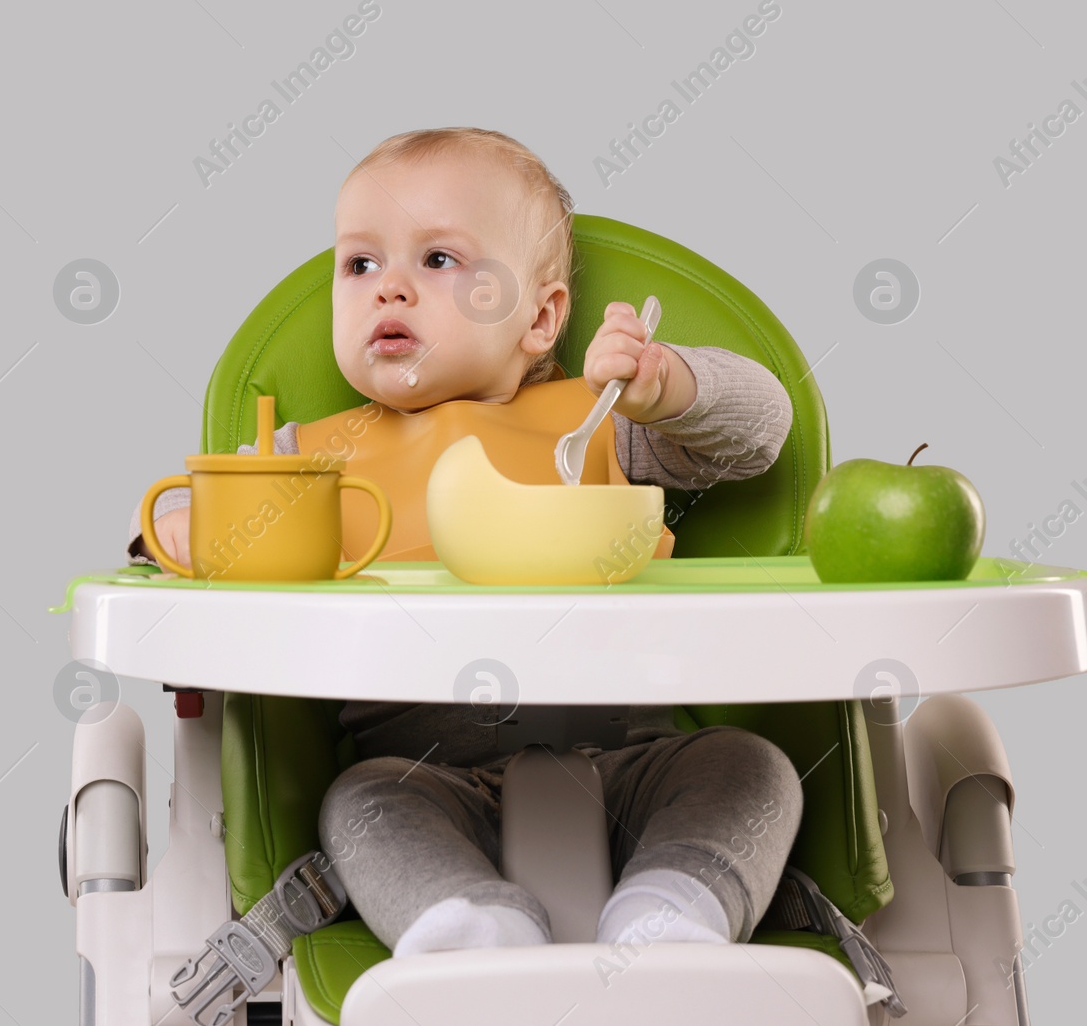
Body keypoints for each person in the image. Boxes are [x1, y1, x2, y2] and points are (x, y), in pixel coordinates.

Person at [126, 127, 802, 956]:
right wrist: (178, 530)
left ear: (542, 318)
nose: (390, 291)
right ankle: (470, 928)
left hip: (630, 756)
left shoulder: (597, 422)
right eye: (360, 265)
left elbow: (763, 432)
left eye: (438, 261)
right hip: (420, 771)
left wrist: (666, 387)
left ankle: (672, 910)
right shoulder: (304, 458)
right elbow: (167, 531)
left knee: (750, 768)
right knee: (358, 804)